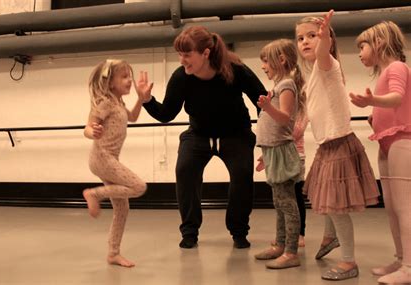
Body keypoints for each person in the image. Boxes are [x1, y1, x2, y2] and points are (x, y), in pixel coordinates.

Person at [135, 26, 267, 249]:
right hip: (198, 134)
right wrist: (147, 100)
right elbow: (167, 114)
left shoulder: (235, 69)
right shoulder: (181, 77)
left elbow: (262, 102)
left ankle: (238, 231)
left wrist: (266, 141)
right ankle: (189, 231)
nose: (182, 60)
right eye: (179, 54)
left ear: (205, 53)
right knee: (185, 170)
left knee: (242, 175)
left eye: (187, 55)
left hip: (235, 134)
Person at [296, 10, 380, 280]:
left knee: (336, 206)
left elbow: (322, 54)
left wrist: (323, 41)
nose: (306, 42)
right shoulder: (312, 74)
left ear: (327, 41)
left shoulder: (327, 64)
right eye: (300, 38)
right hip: (327, 145)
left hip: (339, 143)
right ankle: (330, 236)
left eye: (312, 36)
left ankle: (348, 261)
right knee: (326, 197)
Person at [349, 21, 411, 284]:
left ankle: (409, 266)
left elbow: (397, 97)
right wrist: (375, 114)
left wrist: (372, 102)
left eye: (363, 46)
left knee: (405, 206)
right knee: (393, 207)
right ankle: (400, 258)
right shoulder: (385, 72)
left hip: (402, 141)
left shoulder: (397, 67)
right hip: (388, 142)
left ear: (380, 43)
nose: (360, 52)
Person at [82, 59, 147, 268]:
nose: (130, 81)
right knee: (138, 186)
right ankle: (94, 194)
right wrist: (93, 132)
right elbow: (87, 128)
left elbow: (134, 117)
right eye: (124, 77)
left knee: (122, 207)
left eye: (130, 76)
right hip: (102, 157)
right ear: (110, 83)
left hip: (109, 159)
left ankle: (113, 253)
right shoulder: (105, 103)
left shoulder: (119, 103)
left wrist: (142, 99)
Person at [253, 39, 306, 269]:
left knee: (287, 202)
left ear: (281, 60)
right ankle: (281, 244)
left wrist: (267, 107)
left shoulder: (286, 85)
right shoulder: (278, 85)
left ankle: (291, 251)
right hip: (273, 151)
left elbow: (285, 118)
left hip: (282, 151)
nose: (263, 66)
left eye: (265, 61)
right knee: (279, 201)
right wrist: (266, 155)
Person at [257, 109, 309, 249]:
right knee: (281, 200)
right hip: (279, 155)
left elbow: (295, 131)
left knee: (295, 197)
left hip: (294, 157)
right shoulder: (281, 106)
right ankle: (284, 234)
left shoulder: (299, 107)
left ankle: (299, 234)